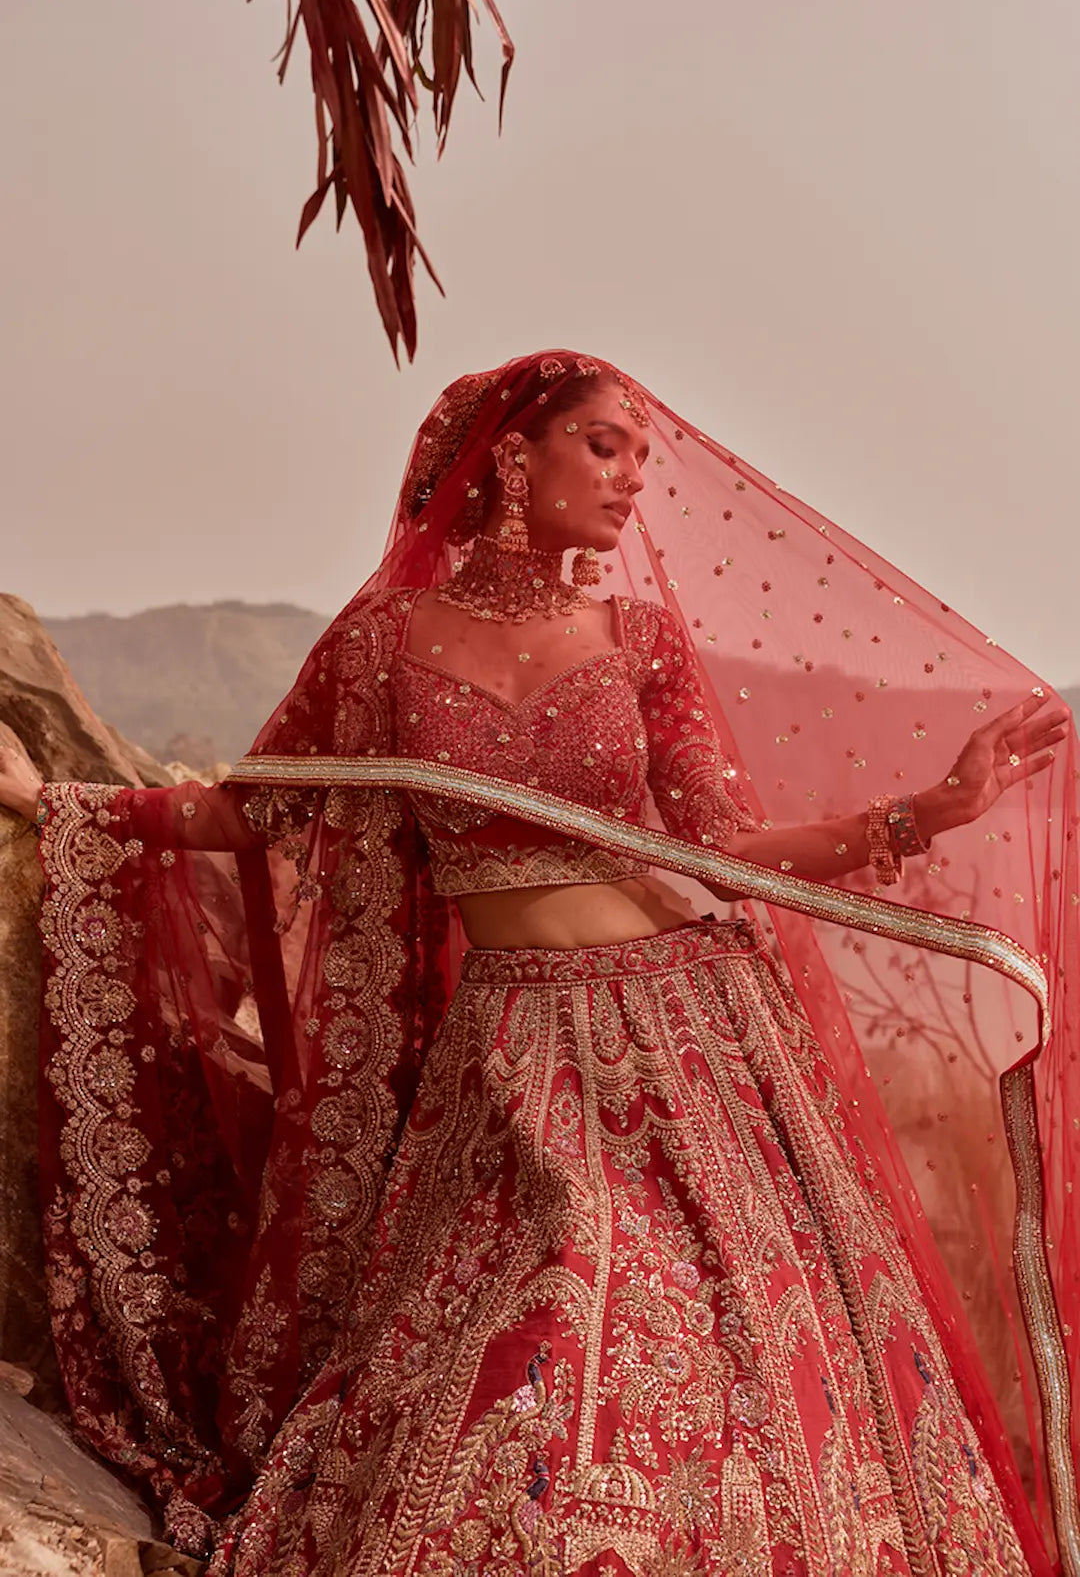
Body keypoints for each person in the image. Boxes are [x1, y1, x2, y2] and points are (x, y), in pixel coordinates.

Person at [1, 349, 1077, 1576]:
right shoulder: (381, 643)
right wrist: (69, 805)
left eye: (641, 458)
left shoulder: (640, 642)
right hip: (514, 1061)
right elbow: (260, 809)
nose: (631, 484)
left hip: (690, 1043)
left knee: (719, 1366)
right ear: (514, 456)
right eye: (604, 447)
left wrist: (933, 809)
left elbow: (727, 848)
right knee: (524, 1345)